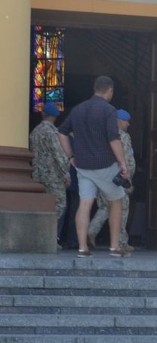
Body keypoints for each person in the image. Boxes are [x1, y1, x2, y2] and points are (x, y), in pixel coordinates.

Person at [57, 75, 131, 258]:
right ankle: (114, 247)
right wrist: (122, 164)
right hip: (104, 164)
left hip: (82, 165)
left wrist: (70, 156)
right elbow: (114, 138)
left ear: (94, 88)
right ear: (110, 91)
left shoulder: (78, 110)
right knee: (116, 201)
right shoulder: (108, 110)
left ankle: (82, 248)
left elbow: (61, 132)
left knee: (85, 203)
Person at [87, 108, 136, 253]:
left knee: (104, 207)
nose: (128, 124)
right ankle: (121, 242)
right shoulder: (122, 136)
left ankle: (91, 230)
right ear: (119, 121)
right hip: (118, 178)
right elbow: (126, 159)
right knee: (122, 208)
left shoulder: (102, 134)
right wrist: (128, 180)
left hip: (102, 176)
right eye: (126, 121)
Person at [29, 102, 70, 247]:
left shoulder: (35, 131)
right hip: (53, 175)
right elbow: (58, 154)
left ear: (42, 114)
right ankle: (49, 238)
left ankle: (38, 236)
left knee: (41, 205)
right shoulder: (53, 132)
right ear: (56, 116)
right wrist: (66, 172)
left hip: (38, 174)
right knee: (59, 205)